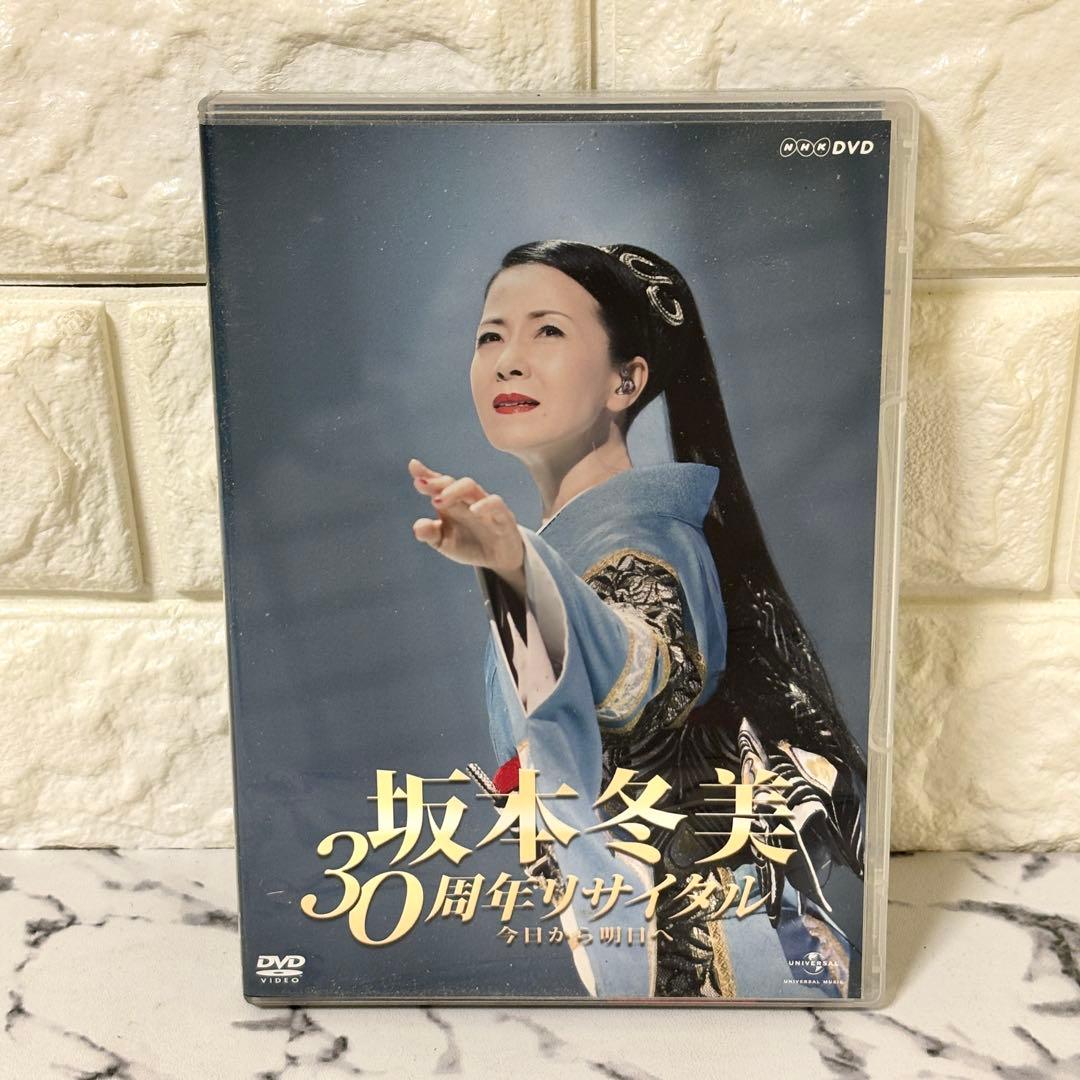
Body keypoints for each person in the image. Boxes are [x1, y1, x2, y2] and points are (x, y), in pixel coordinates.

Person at [408, 240, 867, 1000]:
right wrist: (518, 570)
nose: (508, 361)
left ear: (626, 381)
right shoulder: (585, 541)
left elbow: (637, 678)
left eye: (547, 331)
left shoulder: (640, 543)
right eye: (491, 335)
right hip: (650, 939)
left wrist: (519, 569)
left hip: (715, 959)